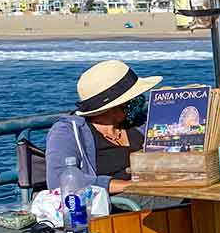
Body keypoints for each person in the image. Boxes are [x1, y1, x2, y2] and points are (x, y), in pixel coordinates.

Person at [46, 60, 161, 193]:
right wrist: (128, 186)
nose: (138, 103)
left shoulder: (139, 121)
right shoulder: (67, 132)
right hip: (116, 203)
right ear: (113, 106)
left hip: (156, 190)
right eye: (133, 100)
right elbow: (59, 180)